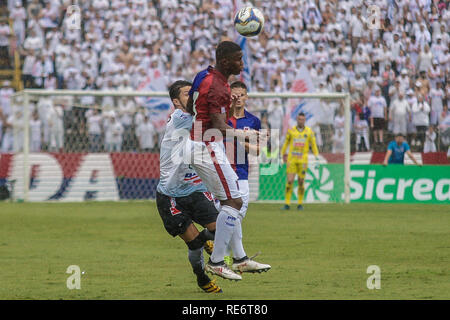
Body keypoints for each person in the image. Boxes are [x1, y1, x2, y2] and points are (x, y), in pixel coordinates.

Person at [186, 41, 270, 281]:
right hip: (206, 146)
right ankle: (217, 261)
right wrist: (245, 134)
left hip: (201, 142)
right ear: (225, 61)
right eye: (239, 58)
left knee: (231, 201)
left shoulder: (204, 75)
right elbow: (220, 127)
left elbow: (196, 109)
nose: (242, 63)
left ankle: (241, 259)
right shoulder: (219, 87)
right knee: (233, 202)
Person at [156, 80, 221, 294]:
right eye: (186, 94)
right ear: (176, 102)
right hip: (171, 196)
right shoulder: (180, 119)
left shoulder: (194, 118)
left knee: (220, 229)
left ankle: (207, 244)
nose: (191, 97)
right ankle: (202, 279)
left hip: (196, 189)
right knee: (194, 246)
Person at [226, 80, 261, 259]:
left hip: (241, 174)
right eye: (235, 95)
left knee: (236, 217)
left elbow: (258, 149)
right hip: (222, 174)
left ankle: (226, 257)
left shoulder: (253, 121)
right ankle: (232, 258)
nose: (238, 98)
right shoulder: (221, 118)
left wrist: (240, 141)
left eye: (241, 95)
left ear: (246, 97)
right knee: (226, 217)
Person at [280, 112, 319, 210]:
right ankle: (287, 203)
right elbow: (285, 144)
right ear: (297, 120)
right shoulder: (291, 131)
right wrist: (281, 156)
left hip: (303, 161)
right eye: (299, 119)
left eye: (303, 119)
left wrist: (316, 157)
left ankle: (300, 203)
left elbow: (313, 145)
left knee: (301, 182)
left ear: (305, 120)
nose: (301, 121)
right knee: (290, 181)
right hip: (291, 160)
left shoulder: (309, 132)